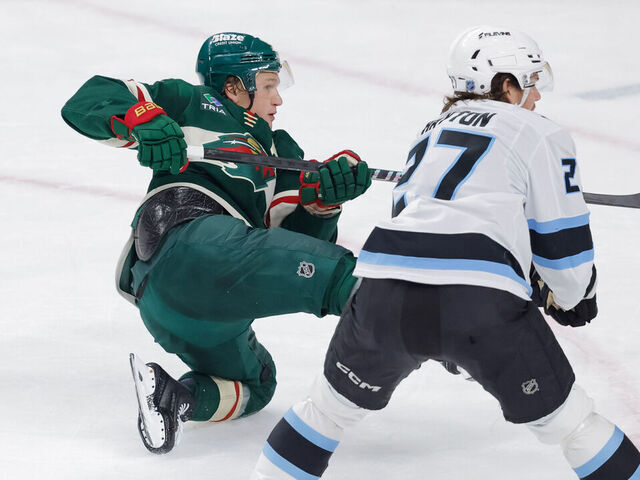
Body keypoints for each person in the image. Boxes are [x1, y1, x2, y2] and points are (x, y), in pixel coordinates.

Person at [251, 26, 640, 479]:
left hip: (382, 291)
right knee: (573, 425)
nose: (536, 96)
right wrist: (573, 296)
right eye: (529, 82)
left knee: (326, 411)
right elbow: (563, 248)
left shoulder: (430, 131)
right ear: (505, 84)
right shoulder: (538, 131)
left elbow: (416, 221)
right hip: (480, 300)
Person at [61, 32, 372, 454]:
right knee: (346, 279)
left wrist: (322, 204)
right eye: (268, 85)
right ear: (233, 86)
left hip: (182, 311)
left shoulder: (281, 150)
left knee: (255, 383)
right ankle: (421, 312)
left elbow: (292, 253)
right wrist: (143, 118)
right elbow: (87, 99)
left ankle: (173, 399)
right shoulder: (188, 102)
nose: (278, 99)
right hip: (188, 247)